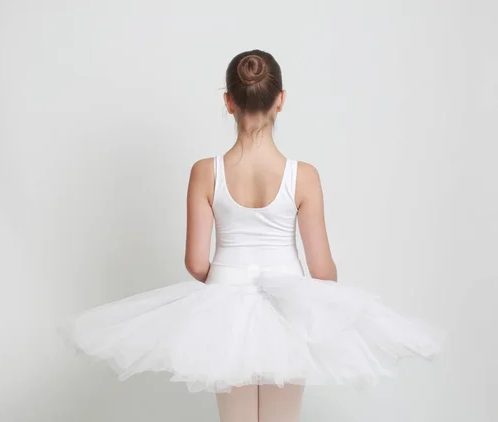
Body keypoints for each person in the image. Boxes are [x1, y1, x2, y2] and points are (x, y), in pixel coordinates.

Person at [60, 50, 445, 422]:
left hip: (225, 300)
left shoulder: (205, 172)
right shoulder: (303, 176)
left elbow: (195, 262)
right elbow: (322, 270)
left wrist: (231, 280)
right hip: (290, 304)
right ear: (281, 100)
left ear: (229, 101)